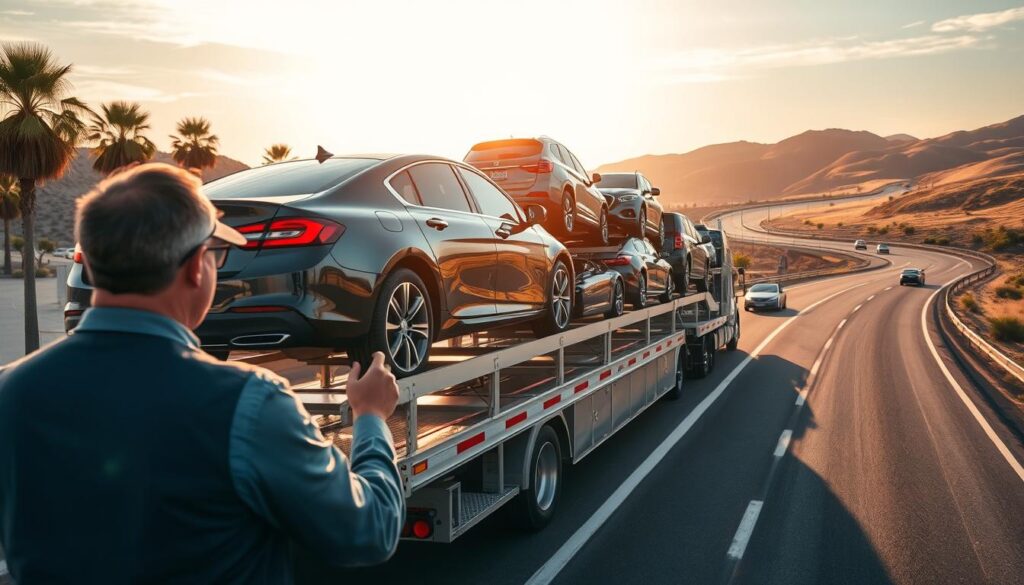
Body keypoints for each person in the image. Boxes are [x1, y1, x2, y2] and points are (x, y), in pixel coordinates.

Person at [0, 163, 404, 583]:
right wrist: (371, 417)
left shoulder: (10, 390)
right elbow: (368, 532)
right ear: (197, 265)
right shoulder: (249, 403)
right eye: (219, 254)